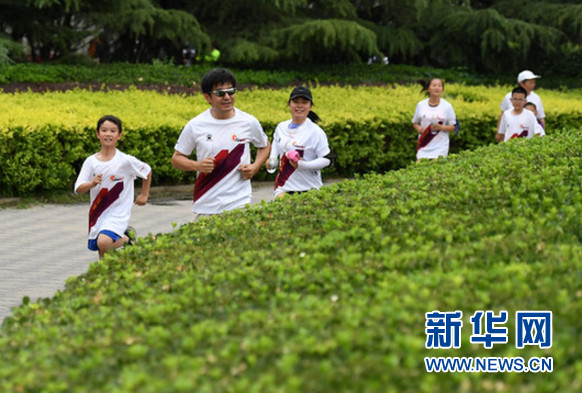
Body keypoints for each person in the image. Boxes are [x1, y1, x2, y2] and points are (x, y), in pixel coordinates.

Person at [171, 68, 270, 217]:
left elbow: (264, 145)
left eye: (231, 91)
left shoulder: (248, 122)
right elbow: (176, 159)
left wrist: (255, 167)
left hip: (240, 202)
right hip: (206, 204)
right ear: (207, 97)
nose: (227, 97)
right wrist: (197, 165)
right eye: (219, 93)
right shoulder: (196, 125)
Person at [75, 115, 152, 259]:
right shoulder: (91, 162)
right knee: (102, 250)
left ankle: (128, 239)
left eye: (113, 131)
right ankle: (105, 277)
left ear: (119, 135)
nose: (108, 134)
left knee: (103, 242)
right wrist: (92, 183)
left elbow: (147, 171)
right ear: (98, 134)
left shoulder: (125, 161)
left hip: (118, 213)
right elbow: (79, 188)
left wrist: (144, 194)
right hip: (98, 212)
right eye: (104, 130)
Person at [267, 86, 331, 198]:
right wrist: (272, 159)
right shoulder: (281, 127)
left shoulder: (316, 132)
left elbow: (326, 159)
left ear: (310, 106)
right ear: (289, 104)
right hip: (284, 187)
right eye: (296, 102)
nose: (299, 106)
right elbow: (276, 143)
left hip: (309, 189)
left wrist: (302, 165)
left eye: (304, 102)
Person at [412, 78, 457, 161]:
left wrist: (441, 127)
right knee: (419, 169)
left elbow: (454, 127)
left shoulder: (447, 106)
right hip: (424, 144)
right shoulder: (421, 105)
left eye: (439, 86)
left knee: (434, 169)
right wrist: (418, 128)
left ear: (442, 89)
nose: (437, 88)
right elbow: (415, 122)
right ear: (428, 88)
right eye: (434, 85)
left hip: (440, 146)